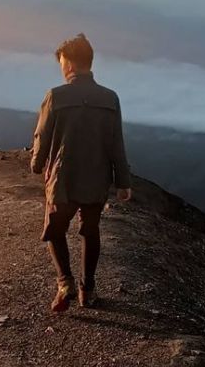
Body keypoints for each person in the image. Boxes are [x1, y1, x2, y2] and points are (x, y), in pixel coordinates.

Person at [30, 33, 132, 312]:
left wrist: (37, 164)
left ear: (71, 63)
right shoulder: (110, 98)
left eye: (62, 61)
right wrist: (123, 181)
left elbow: (43, 134)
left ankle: (65, 282)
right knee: (90, 230)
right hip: (97, 177)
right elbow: (116, 142)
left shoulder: (56, 96)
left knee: (54, 229)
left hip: (63, 178)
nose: (61, 67)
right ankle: (89, 289)